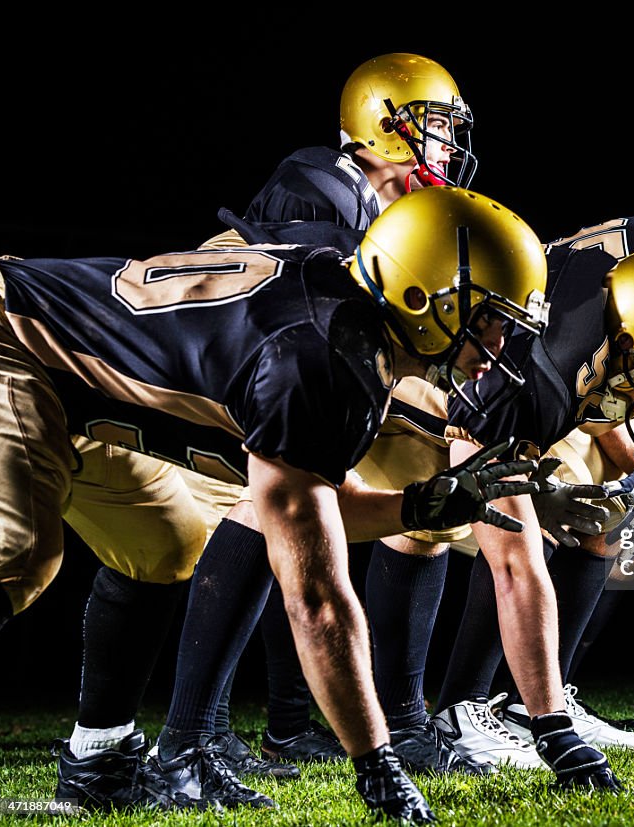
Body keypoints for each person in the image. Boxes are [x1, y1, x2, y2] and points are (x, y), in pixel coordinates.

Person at [0, 185, 551, 823]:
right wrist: (377, 765)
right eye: (490, 320)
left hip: (82, 394)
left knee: (164, 544)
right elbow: (315, 598)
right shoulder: (323, 357)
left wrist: (418, 508)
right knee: (17, 554)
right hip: (11, 339)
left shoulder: (348, 309)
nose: (499, 346)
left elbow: (309, 503)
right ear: (423, 297)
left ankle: (99, 762)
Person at [162, 52, 486, 777]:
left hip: (274, 365)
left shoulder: (386, 203)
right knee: (263, 511)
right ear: (383, 123)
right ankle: (202, 730)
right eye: (434, 126)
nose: (448, 144)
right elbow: (325, 326)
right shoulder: (316, 186)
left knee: (361, 497)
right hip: (219, 359)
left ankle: (337, 721)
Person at [431, 245, 634, 773]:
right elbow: (491, 421)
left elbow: (597, 409)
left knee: (596, 519)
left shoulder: (604, 342)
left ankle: (518, 704)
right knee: (512, 536)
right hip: (446, 413)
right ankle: (453, 711)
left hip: (485, 412)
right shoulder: (557, 360)